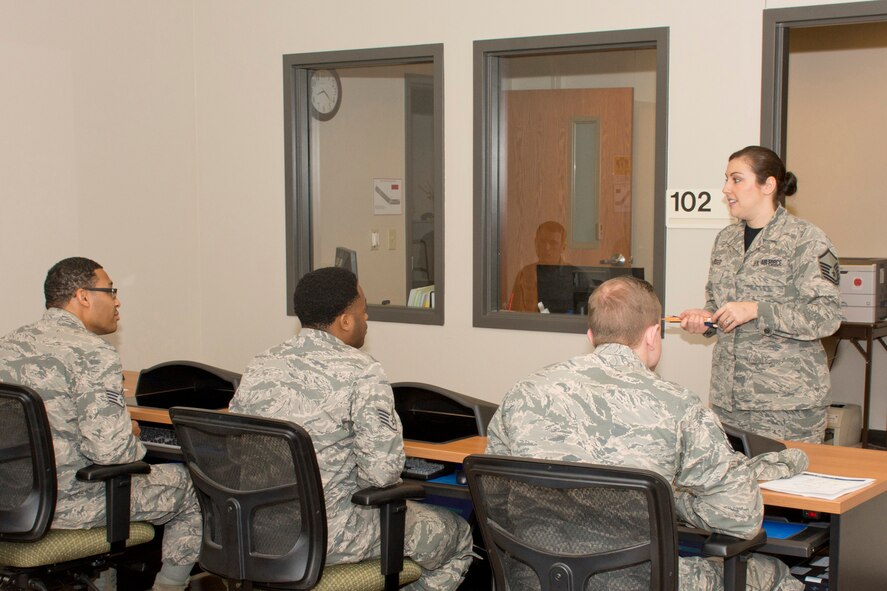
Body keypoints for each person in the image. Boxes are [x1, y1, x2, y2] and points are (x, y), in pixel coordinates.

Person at [487, 276, 806, 591]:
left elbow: (495, 497)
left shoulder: (523, 393)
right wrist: (668, 499)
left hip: (536, 578)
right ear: (653, 335)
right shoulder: (678, 405)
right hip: (636, 582)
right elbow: (741, 517)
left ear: (591, 335)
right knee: (771, 574)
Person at [229, 266, 473, 591]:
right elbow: (382, 475)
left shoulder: (260, 365)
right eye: (363, 310)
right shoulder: (362, 371)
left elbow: (236, 450)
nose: (367, 318)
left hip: (257, 529)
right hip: (331, 537)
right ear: (346, 321)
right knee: (458, 535)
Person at [0, 257, 201, 591]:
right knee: (193, 485)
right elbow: (111, 453)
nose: (117, 301)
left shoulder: (7, 346)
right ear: (83, 296)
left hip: (11, 500)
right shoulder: (93, 353)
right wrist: (132, 435)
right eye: (111, 291)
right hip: (68, 505)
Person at [680, 146, 842, 443]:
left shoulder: (805, 239)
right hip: (730, 402)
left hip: (786, 405)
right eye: (726, 179)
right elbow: (717, 305)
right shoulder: (726, 240)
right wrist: (706, 319)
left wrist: (756, 309)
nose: (726, 189)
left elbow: (826, 317)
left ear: (768, 185)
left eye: (736, 179)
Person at [509, 220, 578, 312]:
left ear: (563, 247)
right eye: (542, 242)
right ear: (536, 244)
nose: (547, 248)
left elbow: (582, 314)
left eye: (553, 243)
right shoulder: (525, 274)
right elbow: (513, 311)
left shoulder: (575, 276)